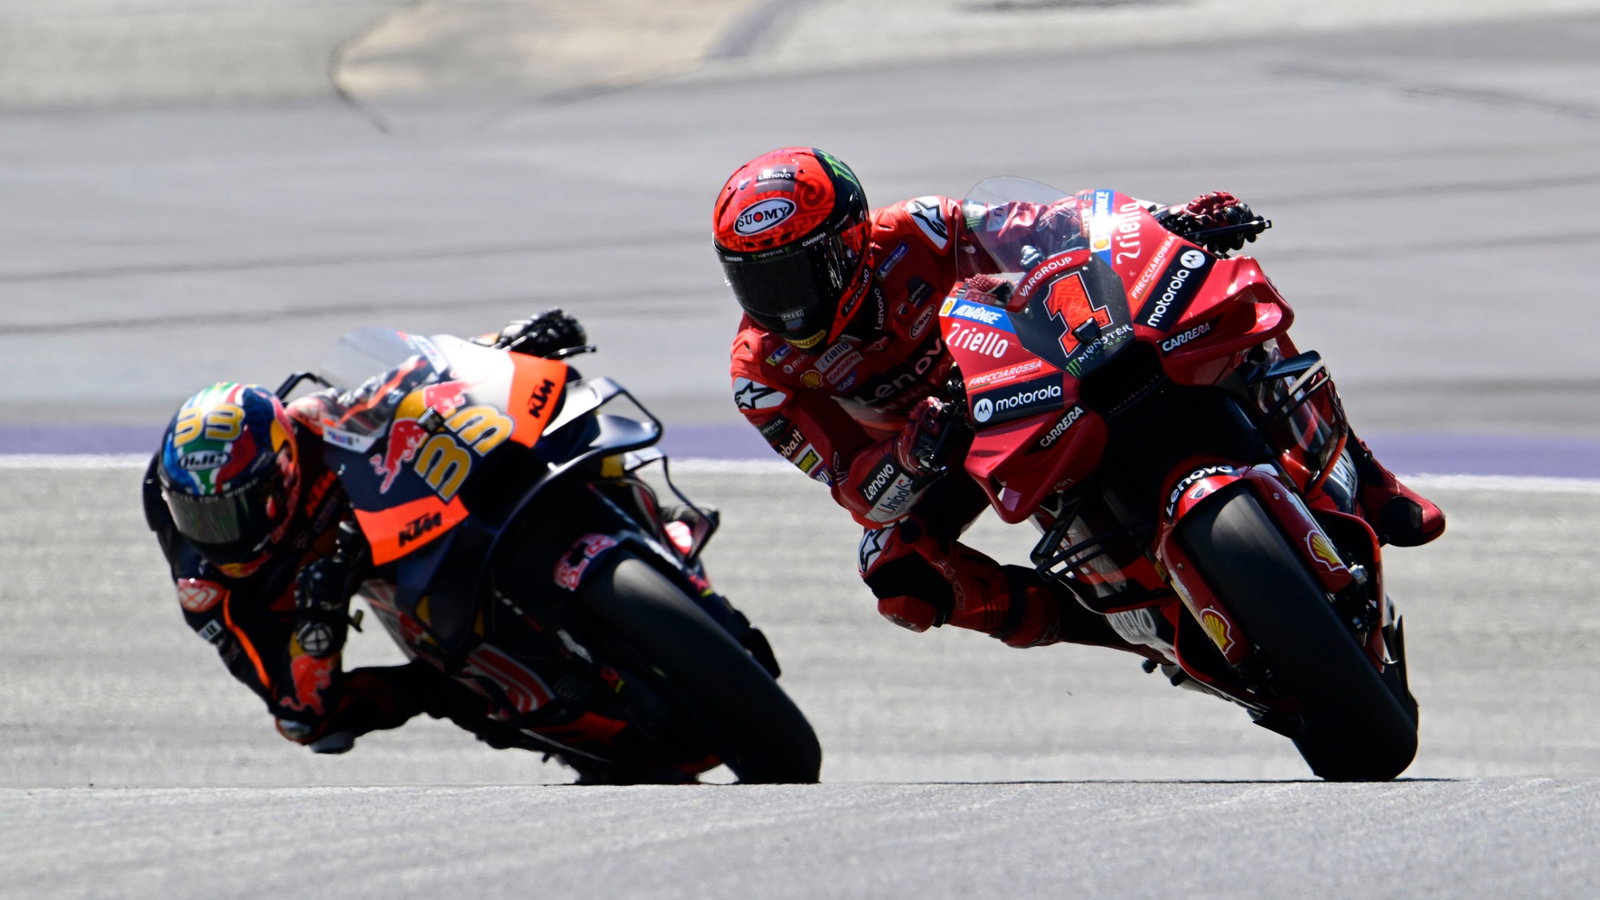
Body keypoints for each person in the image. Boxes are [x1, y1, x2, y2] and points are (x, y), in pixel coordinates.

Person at [713, 146, 1444, 653]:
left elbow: (1048, 225)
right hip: (950, 454)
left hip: (1032, 363)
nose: (784, 307)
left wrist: (1174, 222)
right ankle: (1117, 626)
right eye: (757, 283)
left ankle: (1366, 473)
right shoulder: (764, 374)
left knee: (1221, 291)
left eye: (796, 276)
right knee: (897, 577)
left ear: (849, 239)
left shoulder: (918, 230)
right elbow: (860, 493)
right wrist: (911, 452)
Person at [142, 311, 591, 754]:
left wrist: (509, 343)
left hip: (406, 518)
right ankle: (498, 704)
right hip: (367, 582)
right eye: (197, 515)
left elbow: (421, 375)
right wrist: (318, 618)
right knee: (340, 714)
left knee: (536, 438)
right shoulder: (209, 587)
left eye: (234, 511)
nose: (220, 535)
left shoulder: (313, 423)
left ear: (283, 469)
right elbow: (298, 712)